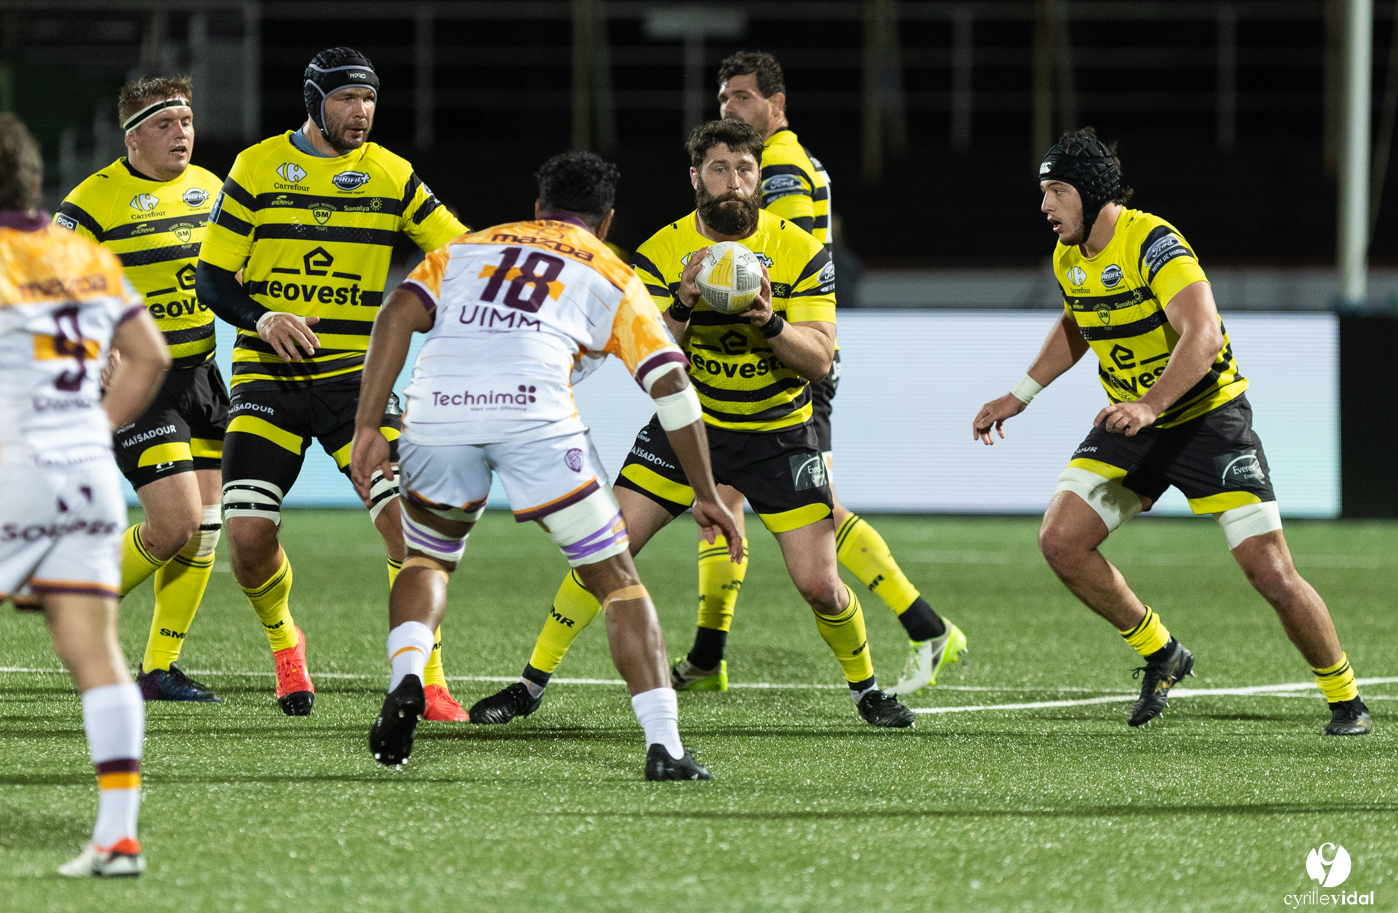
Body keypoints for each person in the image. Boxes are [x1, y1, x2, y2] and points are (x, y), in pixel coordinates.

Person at [470, 121, 916, 729]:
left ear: (759, 177)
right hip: (686, 431)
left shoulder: (802, 251)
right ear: (694, 179)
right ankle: (529, 685)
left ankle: (867, 692)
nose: (733, 182)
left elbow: (818, 361)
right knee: (605, 550)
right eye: (719, 169)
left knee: (820, 585)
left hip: (778, 434)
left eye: (744, 169)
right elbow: (645, 364)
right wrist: (681, 303)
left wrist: (768, 320)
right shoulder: (660, 251)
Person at [350, 152, 739, 778]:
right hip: (536, 417)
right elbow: (670, 382)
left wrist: (369, 425)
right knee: (616, 578)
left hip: (438, 409)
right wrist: (705, 491)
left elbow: (398, 311)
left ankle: (405, 680)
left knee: (426, 559)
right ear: (606, 221)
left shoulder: (469, 247)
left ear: (538, 208)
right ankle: (664, 745)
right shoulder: (612, 269)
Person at [972, 128, 1371, 735]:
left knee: (1270, 572)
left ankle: (1346, 699)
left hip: (1209, 421)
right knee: (1060, 541)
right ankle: (1163, 653)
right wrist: (1019, 395)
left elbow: (1204, 334)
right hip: (1136, 424)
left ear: (1091, 191)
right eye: (1045, 192)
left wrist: (1151, 405)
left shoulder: (1153, 242)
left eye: (1056, 191)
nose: (1046, 206)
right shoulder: (1068, 257)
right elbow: (1078, 322)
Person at [195, 47, 469, 718]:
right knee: (249, 540)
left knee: (410, 524)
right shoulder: (258, 168)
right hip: (269, 380)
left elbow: (463, 251)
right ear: (316, 102)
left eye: (369, 99)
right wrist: (261, 316)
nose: (361, 111)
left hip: (357, 387)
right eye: (347, 98)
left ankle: (425, 676)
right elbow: (211, 276)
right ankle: (287, 644)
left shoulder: (391, 175)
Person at [688, 49, 963, 696]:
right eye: (725, 99)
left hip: (787, 358)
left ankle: (927, 627)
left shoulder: (776, 165)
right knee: (725, 502)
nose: (731, 108)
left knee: (815, 510)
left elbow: (767, 252)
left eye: (744, 98)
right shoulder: (800, 158)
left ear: (776, 105)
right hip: (786, 349)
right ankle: (707, 654)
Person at [0, 114, 172, 875]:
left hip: (12, 464)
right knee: (96, 655)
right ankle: (118, 837)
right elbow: (150, 354)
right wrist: (94, 426)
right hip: (84, 471)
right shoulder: (85, 256)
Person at [55, 76, 226, 703]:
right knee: (174, 524)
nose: (181, 132)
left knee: (205, 528)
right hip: (139, 380)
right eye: (165, 124)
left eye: (185, 121)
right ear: (132, 136)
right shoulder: (91, 203)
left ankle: (159, 669)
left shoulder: (212, 189)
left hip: (204, 374)